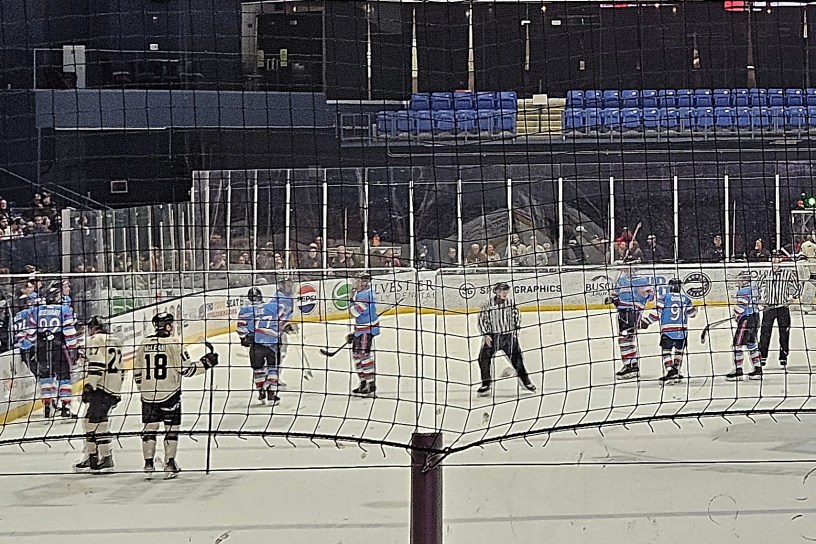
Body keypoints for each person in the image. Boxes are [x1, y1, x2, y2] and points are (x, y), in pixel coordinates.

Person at [134, 312, 219, 479]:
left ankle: (149, 464)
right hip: (170, 393)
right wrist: (206, 363)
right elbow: (186, 370)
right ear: (167, 326)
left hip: (148, 394)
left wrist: (143, 388)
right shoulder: (174, 343)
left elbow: (137, 371)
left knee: (150, 428)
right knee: (171, 429)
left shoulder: (144, 343)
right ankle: (170, 463)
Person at [74, 316, 124, 474]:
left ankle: (101, 457)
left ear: (93, 328)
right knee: (98, 421)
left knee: (91, 422)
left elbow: (97, 363)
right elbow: (122, 369)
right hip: (113, 386)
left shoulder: (96, 340)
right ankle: (96, 455)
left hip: (101, 387)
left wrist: (90, 385)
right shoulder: (115, 341)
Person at [476, 282, 535, 396]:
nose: (504, 293)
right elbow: (483, 319)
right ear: (496, 292)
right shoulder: (488, 304)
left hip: (509, 336)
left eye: (506, 291)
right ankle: (486, 383)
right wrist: (486, 334)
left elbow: (516, 316)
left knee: (517, 360)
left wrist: (515, 331)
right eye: (502, 291)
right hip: (493, 337)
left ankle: (525, 382)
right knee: (483, 359)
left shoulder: (511, 303)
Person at [30, 287, 80, 418]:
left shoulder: (36, 310)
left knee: (46, 376)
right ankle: (66, 407)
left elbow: (30, 333)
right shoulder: (64, 309)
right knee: (64, 377)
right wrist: (73, 347)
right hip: (58, 346)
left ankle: (47, 405)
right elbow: (69, 331)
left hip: (41, 347)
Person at [641, 278, 697, 383]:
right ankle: (676, 369)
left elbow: (656, 313)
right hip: (682, 331)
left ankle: (670, 370)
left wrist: (646, 322)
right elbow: (692, 314)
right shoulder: (685, 298)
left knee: (666, 351)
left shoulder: (664, 297)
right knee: (679, 351)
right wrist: (696, 309)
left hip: (668, 330)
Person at [237, 287, 286, 405]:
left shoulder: (245, 310)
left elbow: (240, 327)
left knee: (258, 368)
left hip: (256, 344)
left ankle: (261, 391)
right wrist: (281, 330)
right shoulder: (274, 307)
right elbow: (282, 318)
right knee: (273, 367)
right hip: (272, 343)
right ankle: (272, 393)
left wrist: (243, 338)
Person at [606, 267, 655, 380]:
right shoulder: (621, 280)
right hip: (622, 312)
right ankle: (631, 364)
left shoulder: (641, 280)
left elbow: (652, 296)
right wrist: (612, 299)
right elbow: (615, 296)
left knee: (626, 338)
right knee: (626, 339)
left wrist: (645, 294)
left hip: (633, 311)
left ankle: (630, 366)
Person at [758, 251, 798, 367]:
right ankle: (763, 356)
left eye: (777, 258)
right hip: (769, 308)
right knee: (765, 333)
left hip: (782, 308)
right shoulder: (765, 273)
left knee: (784, 334)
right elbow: (757, 288)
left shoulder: (788, 274)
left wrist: (791, 299)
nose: (775, 260)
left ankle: (783, 356)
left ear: (781, 260)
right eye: (773, 258)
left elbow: (797, 289)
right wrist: (760, 300)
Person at [348, 272, 380, 397]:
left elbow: (355, 312)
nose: (357, 283)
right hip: (360, 329)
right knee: (356, 355)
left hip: (367, 329)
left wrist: (350, 300)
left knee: (363, 355)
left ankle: (370, 384)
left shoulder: (365, 295)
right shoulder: (362, 293)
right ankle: (363, 382)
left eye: (359, 281)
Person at [726, 271, 762, 381]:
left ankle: (738, 371)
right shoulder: (755, 289)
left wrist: (736, 314)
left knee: (737, 345)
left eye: (740, 279)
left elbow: (741, 307)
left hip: (746, 320)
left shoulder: (743, 291)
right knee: (752, 344)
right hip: (755, 318)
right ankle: (758, 369)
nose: (738, 281)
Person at [797, 233, 816, 313]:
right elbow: (801, 260)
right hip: (812, 274)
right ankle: (806, 306)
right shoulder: (807, 245)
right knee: (809, 288)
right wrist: (805, 274)